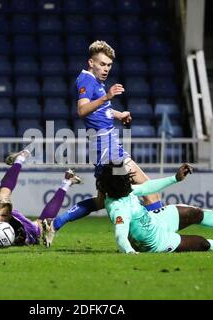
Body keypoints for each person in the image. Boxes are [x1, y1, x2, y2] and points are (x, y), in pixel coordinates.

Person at [42, 40, 162, 246]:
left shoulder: (96, 82)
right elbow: (82, 110)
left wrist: (119, 114)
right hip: (106, 147)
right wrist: (107, 96)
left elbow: (101, 111)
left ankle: (54, 224)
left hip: (104, 146)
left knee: (100, 201)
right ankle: (157, 236)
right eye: (102, 64)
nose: (105, 69)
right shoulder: (86, 81)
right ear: (91, 62)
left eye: (108, 65)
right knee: (150, 191)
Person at [96, 163, 213, 253]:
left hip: (155, 220)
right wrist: (130, 252)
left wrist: (175, 178)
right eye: (126, 179)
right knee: (202, 244)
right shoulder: (119, 209)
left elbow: (147, 187)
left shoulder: (122, 191)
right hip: (156, 242)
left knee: (194, 212)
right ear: (118, 185)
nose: (130, 180)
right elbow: (120, 236)